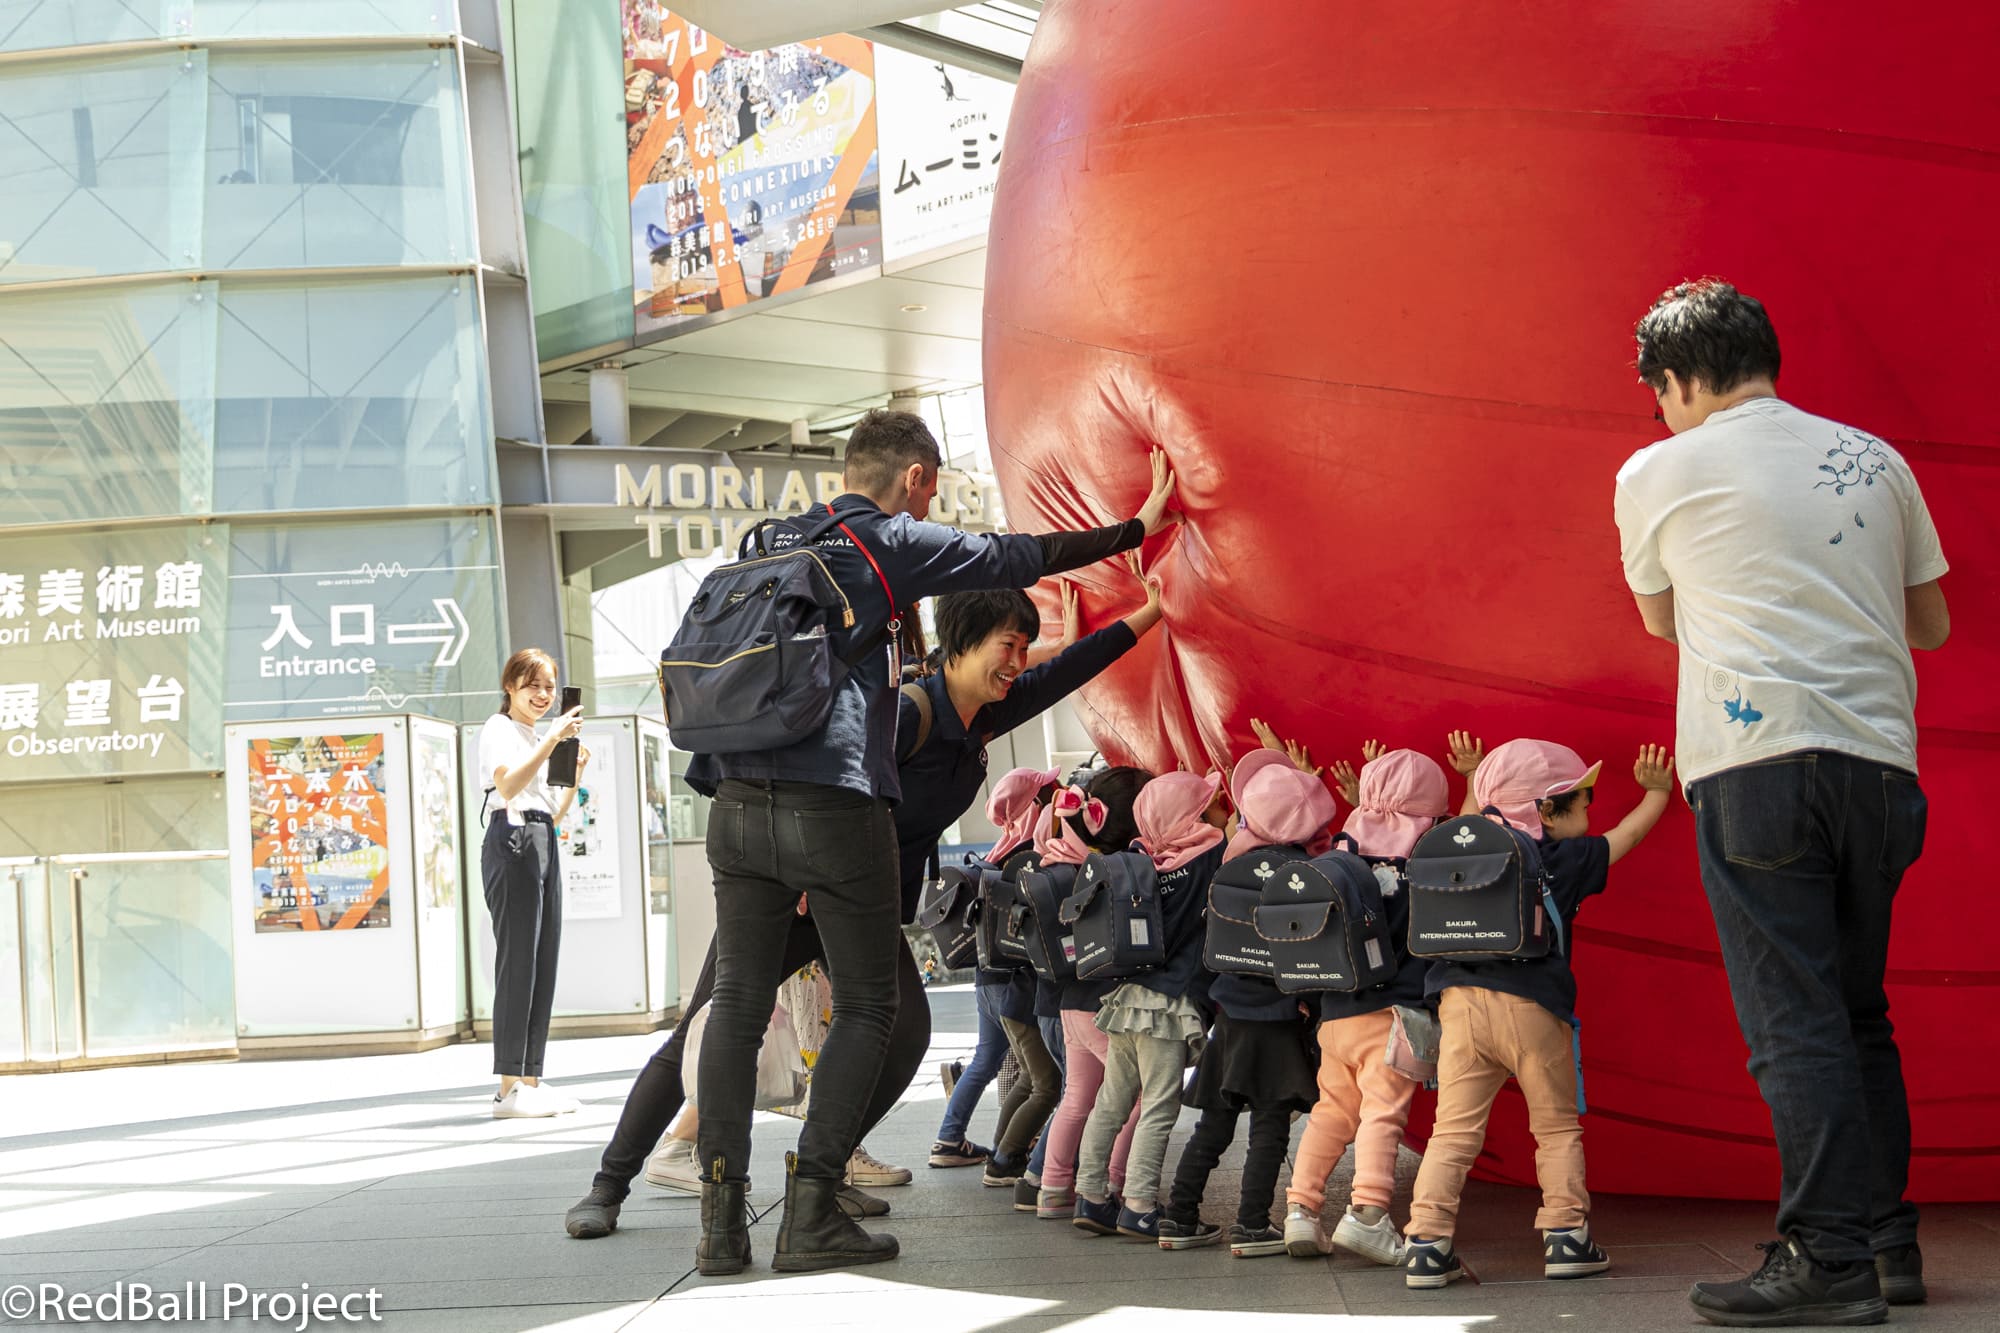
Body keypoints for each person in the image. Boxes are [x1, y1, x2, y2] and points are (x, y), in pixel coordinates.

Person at [684, 409, 1180, 1276]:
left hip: (729, 799)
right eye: (935, 485)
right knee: (875, 1006)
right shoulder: (881, 539)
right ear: (916, 477)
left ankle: (722, 1227)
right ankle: (811, 1212)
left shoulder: (772, 539)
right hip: (829, 804)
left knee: (734, 1003)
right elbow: (1013, 557)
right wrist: (1135, 528)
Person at [1615, 279, 1950, 1327]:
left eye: (1656, 392)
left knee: (1792, 1023)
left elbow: (1658, 620)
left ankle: (1826, 1258)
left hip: (1755, 763)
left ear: (1674, 380)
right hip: (1881, 770)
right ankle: (1887, 1243)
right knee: (1857, 1013)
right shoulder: (1874, 458)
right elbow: (1929, 624)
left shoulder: (1656, 469)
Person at [914, 565, 1166, 1178]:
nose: (1020, 660)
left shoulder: (989, 721)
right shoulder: (906, 714)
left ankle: (1021, 1167)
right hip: (837, 883)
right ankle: (1042, 1172)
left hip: (1002, 979)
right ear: (961, 641)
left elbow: (1064, 671)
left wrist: (1149, 611)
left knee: (1022, 1071)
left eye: (1026, 646)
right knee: (1058, 1081)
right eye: (1010, 645)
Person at [1403, 738, 1672, 1291]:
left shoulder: (1459, 854)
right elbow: (1627, 837)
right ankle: (1566, 1238)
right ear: (1547, 810)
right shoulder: (1562, 859)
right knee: (1554, 1128)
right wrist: (1657, 796)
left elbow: (1470, 821)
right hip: (1532, 1007)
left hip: (1457, 1007)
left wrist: (1476, 780)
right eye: (1583, 799)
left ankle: (1426, 1244)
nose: (1591, 810)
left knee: (1451, 1133)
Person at [1160, 748, 1335, 1256]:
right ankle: (1253, 1224)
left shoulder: (1229, 861)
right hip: (1279, 1018)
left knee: (1213, 1125)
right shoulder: (1305, 872)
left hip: (1229, 1014)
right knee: (1269, 1127)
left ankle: (1179, 1218)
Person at [1286, 745, 1448, 1263]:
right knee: (1383, 1113)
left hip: (1334, 1011)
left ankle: (1300, 1211)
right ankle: (1370, 1214)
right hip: (1393, 1013)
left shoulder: (1339, 855)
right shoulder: (1428, 859)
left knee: (1332, 1111)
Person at [1072, 771, 1228, 1241]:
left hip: (1127, 1000)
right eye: (1206, 805)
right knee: (1159, 1106)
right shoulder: (1208, 859)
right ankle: (1139, 1204)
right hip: (1168, 1005)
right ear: (1192, 817)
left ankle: (1091, 1195)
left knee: (1110, 1103)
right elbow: (1245, 828)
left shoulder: (1142, 863)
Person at [1033, 766, 1151, 1219]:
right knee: (1136, 1094)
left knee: (1078, 1095)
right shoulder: (1119, 871)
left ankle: (1054, 1187)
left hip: (1068, 1001)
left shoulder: (1059, 859)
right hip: (1105, 1005)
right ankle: (1112, 1184)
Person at [478, 648, 588, 1118]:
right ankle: (507, 1089)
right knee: (518, 959)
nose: (542, 695)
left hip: (540, 836)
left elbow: (553, 812)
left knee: (544, 961)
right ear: (511, 688)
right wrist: (552, 742)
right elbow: (506, 787)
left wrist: (575, 771)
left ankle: (531, 1081)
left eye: (548, 687)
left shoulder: (532, 733)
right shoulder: (499, 728)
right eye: (532, 686)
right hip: (513, 837)